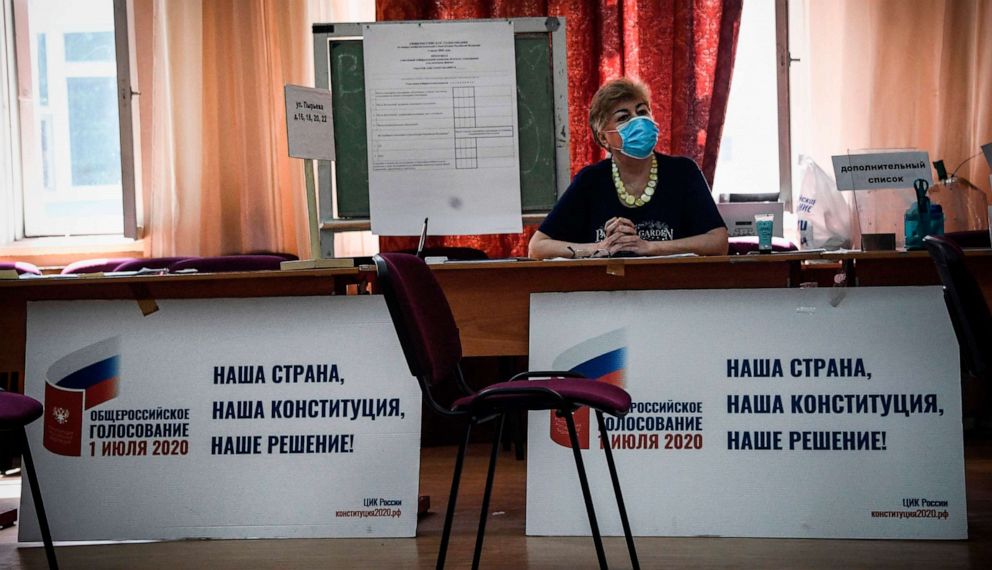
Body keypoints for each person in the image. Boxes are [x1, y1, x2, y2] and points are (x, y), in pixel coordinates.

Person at [528, 78, 728, 259]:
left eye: (642, 112)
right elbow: (538, 247)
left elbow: (718, 242)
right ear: (603, 136)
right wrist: (599, 248)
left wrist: (651, 247)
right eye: (623, 117)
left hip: (672, 290)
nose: (637, 121)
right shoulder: (591, 180)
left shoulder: (683, 172)